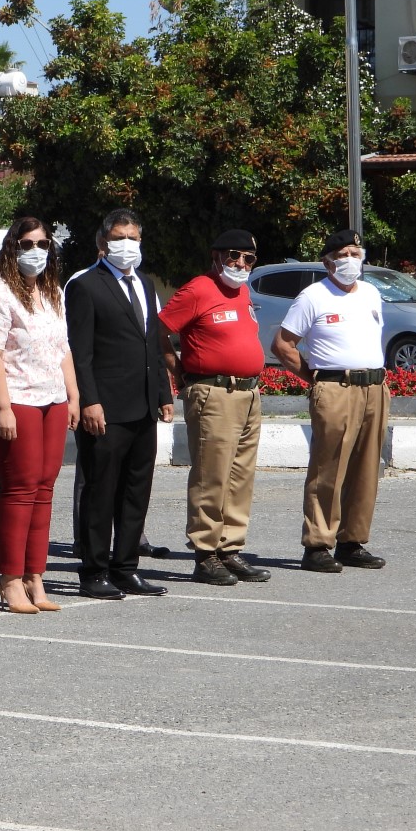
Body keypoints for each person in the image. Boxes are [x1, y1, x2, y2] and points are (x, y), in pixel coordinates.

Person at [66, 209, 173, 600]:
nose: (126, 244)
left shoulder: (144, 284)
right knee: (101, 490)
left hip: (143, 405)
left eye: (133, 237)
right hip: (106, 410)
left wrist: (162, 393)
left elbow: (151, 344)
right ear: (102, 243)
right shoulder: (86, 286)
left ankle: (126, 567)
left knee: (135, 489)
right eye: (118, 237)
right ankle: (93, 570)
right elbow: (80, 352)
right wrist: (89, 400)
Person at [0, 217, 79, 614]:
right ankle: (10, 579)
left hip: (52, 399)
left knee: (45, 487)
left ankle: (36, 576)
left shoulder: (52, 291)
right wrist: (2, 408)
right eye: (26, 243)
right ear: (11, 247)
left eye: (42, 244)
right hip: (15, 399)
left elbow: (63, 348)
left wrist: (72, 396)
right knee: (19, 488)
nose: (35, 251)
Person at [272, 228, 390, 573]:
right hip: (335, 387)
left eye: (355, 253)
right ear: (328, 263)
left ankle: (352, 541)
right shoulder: (313, 296)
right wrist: (317, 379)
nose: (350, 260)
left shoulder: (370, 293)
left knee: (366, 468)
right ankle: (318, 544)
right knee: (329, 468)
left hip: (374, 386)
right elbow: (282, 345)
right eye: (342, 255)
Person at [158, 230, 271, 586]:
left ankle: (230, 548)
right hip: (213, 393)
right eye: (233, 256)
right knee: (212, 476)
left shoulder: (241, 291)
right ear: (215, 256)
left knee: (240, 477)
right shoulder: (199, 289)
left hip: (247, 394)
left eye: (248, 259)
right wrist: (178, 371)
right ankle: (205, 553)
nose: (240, 264)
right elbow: (158, 331)